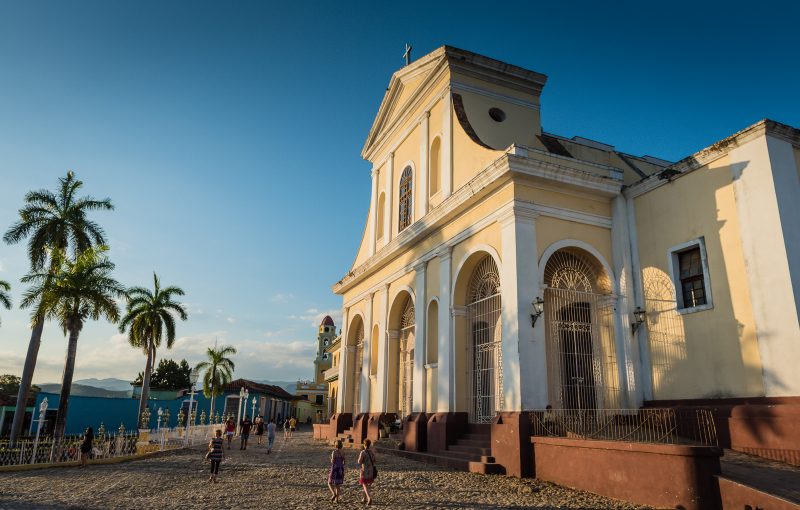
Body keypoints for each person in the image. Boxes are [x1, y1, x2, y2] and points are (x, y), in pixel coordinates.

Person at [357, 438, 376, 505]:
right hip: (370, 470)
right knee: (367, 485)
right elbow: (374, 461)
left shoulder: (363, 452)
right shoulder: (372, 452)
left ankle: (369, 497)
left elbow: (359, 462)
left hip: (364, 470)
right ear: (369, 445)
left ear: (364, 445)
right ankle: (364, 498)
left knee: (364, 484)